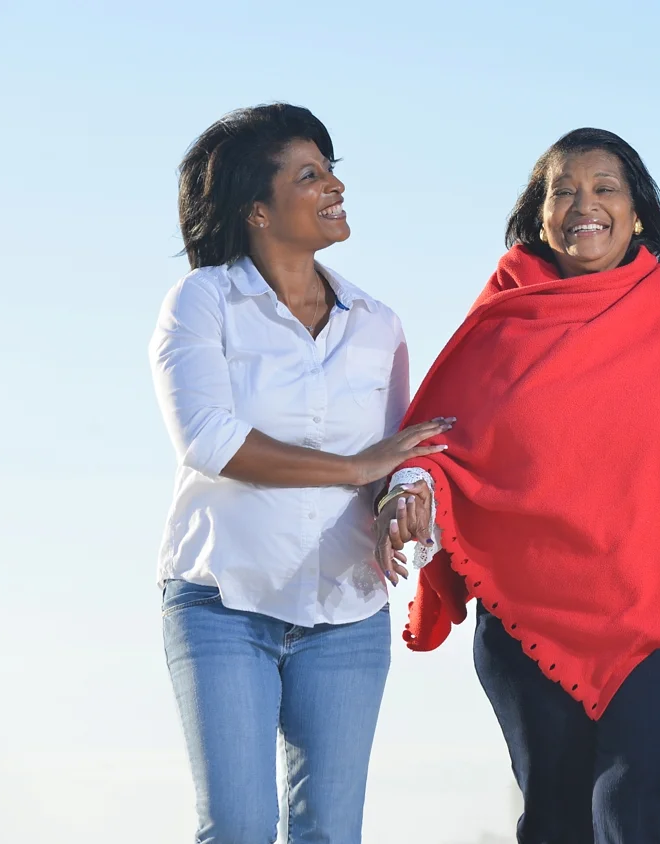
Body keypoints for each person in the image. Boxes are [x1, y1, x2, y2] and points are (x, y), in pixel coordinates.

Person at [373, 128, 660, 844]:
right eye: (564, 192)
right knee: (556, 820)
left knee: (643, 809)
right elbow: (436, 443)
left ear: (636, 212)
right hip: (529, 617)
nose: (585, 205)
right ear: (539, 216)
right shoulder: (499, 322)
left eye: (605, 189)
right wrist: (412, 491)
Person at [148, 103, 450, 843]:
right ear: (257, 209)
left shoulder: (377, 323)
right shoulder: (202, 302)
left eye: (331, 169)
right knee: (239, 827)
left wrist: (400, 498)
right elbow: (208, 440)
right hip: (224, 600)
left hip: (346, 610)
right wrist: (358, 466)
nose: (334, 185)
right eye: (309, 175)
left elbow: (398, 457)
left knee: (331, 833)